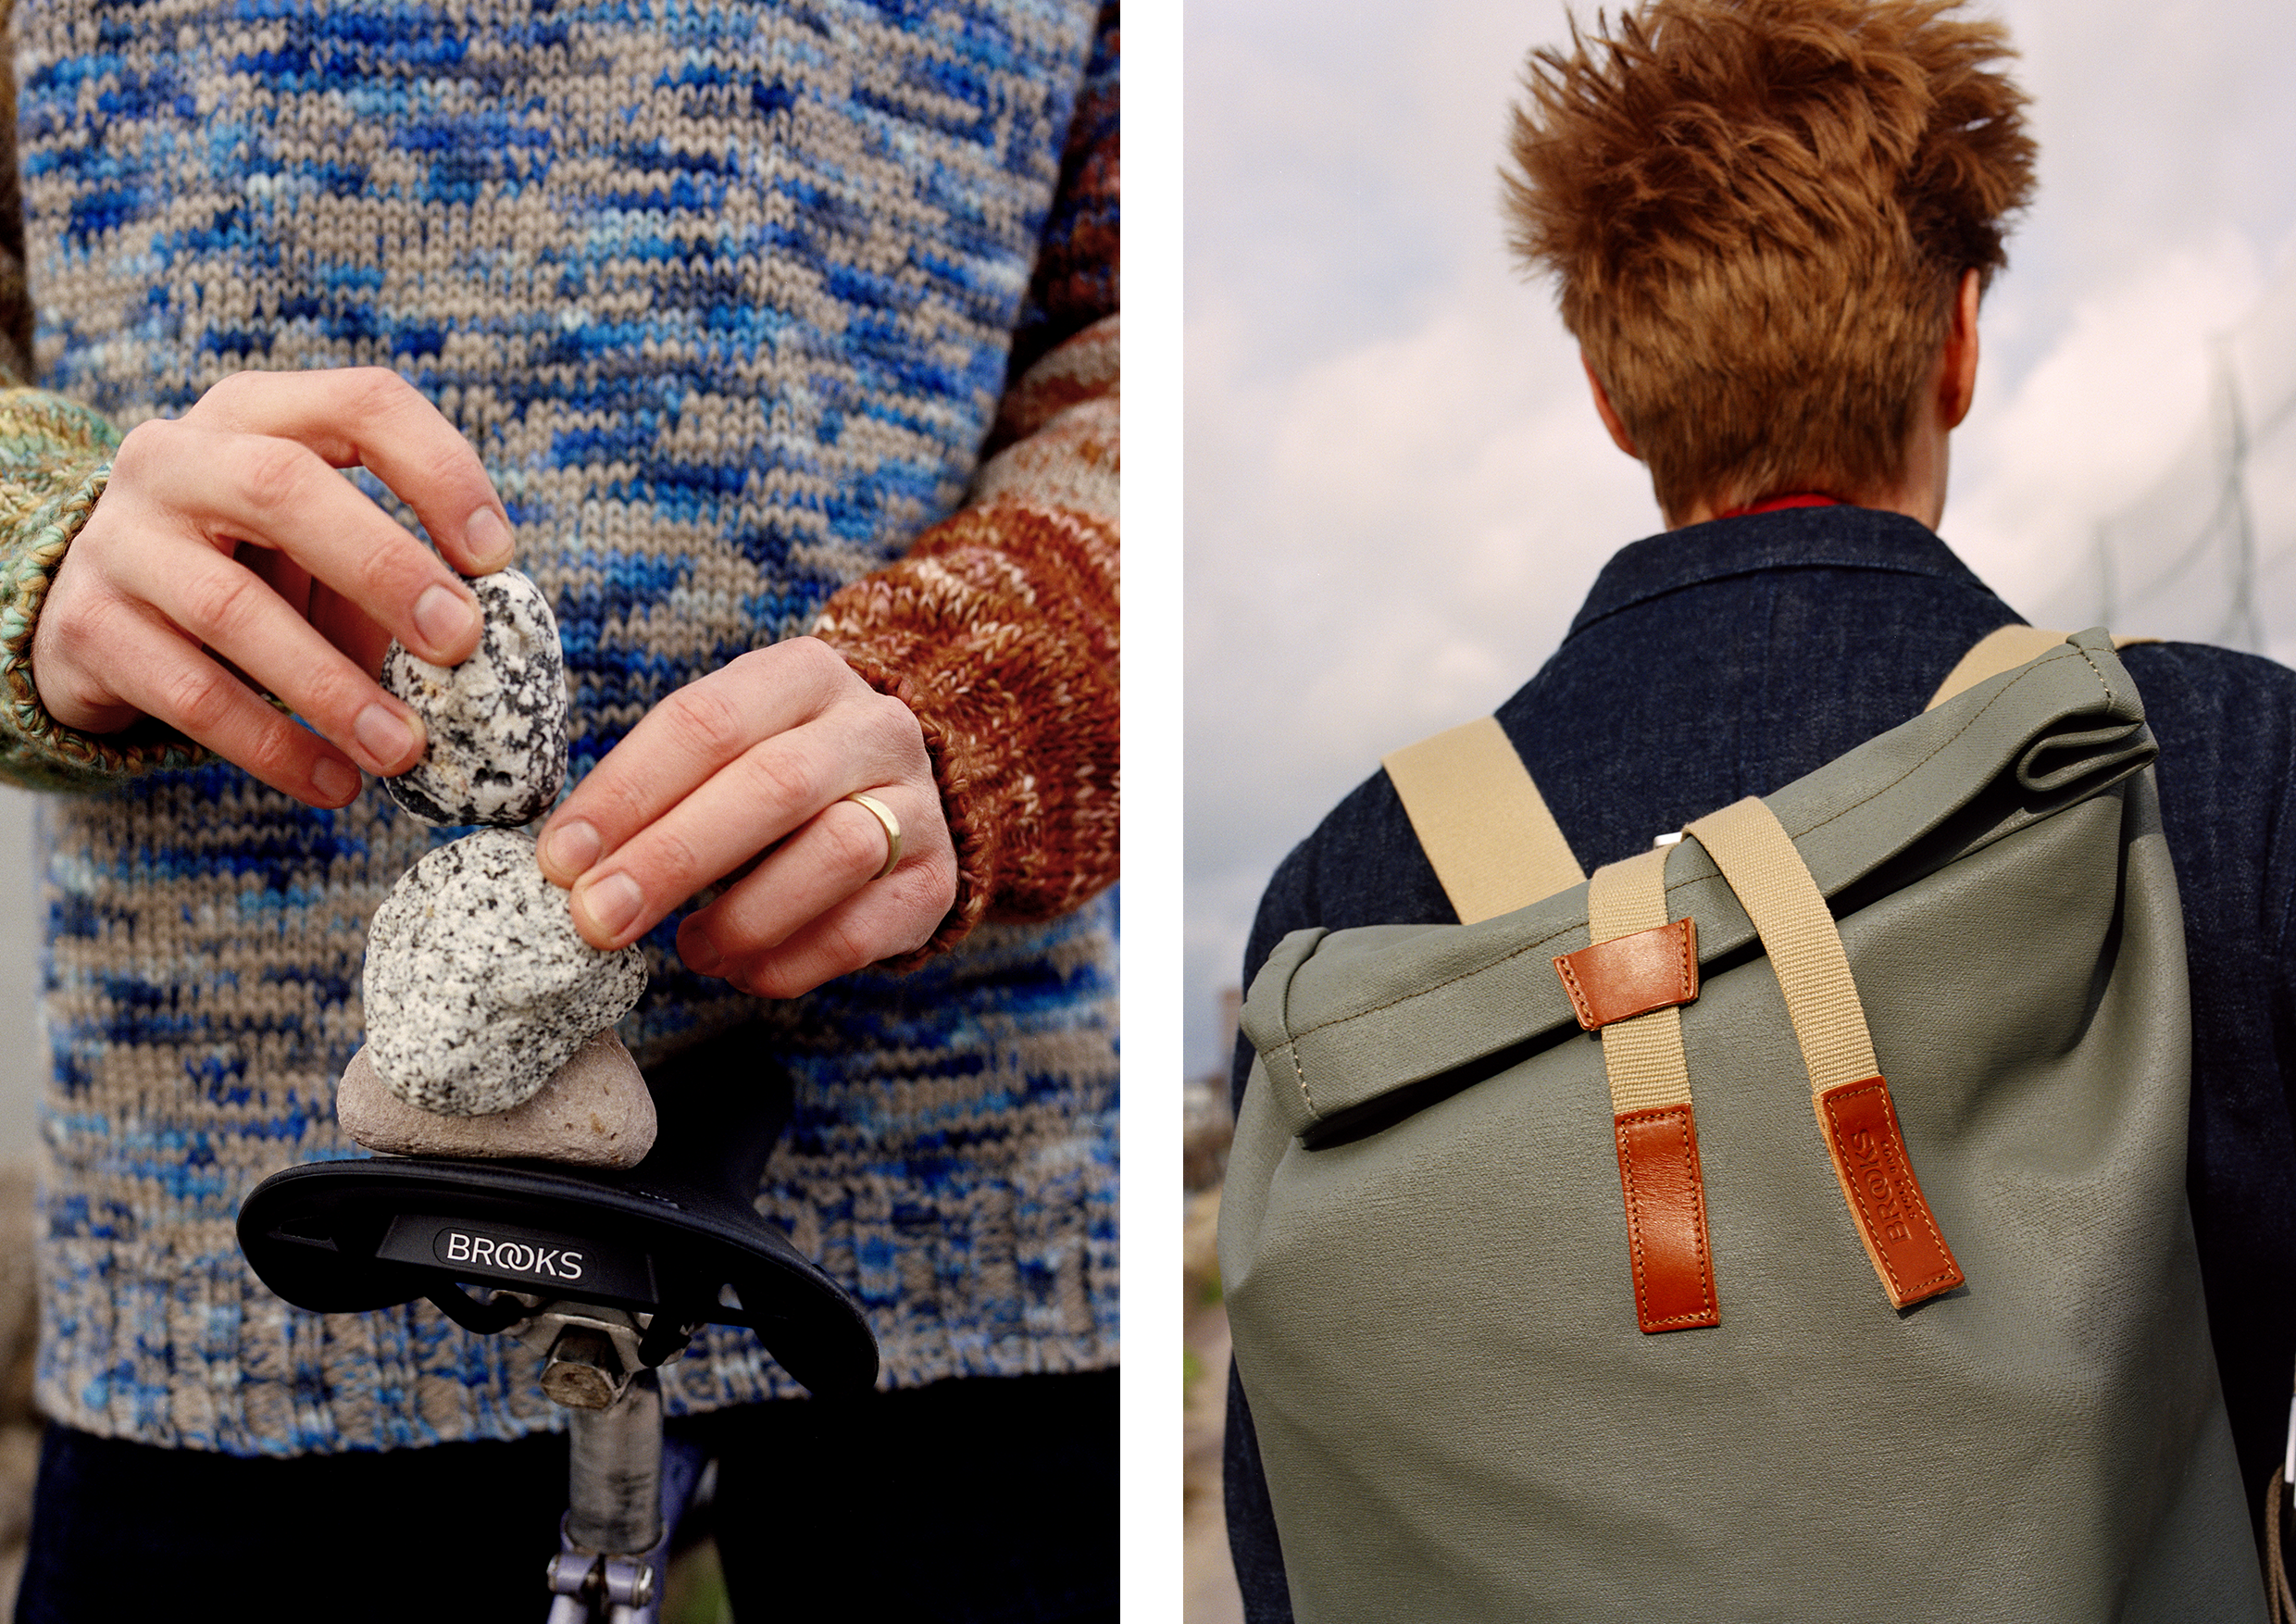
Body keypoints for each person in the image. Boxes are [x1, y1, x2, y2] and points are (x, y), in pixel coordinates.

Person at [3, 3, 1120, 1618]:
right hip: (234, 1280)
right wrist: (41, 548)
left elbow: (1128, 359)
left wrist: (984, 697)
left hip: (958, 1227)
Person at [1224, 1, 2296, 1614]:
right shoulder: (2213, 758)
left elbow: (1289, 1532)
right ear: (1960, 343)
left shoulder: (1349, 884)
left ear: (1607, 387)